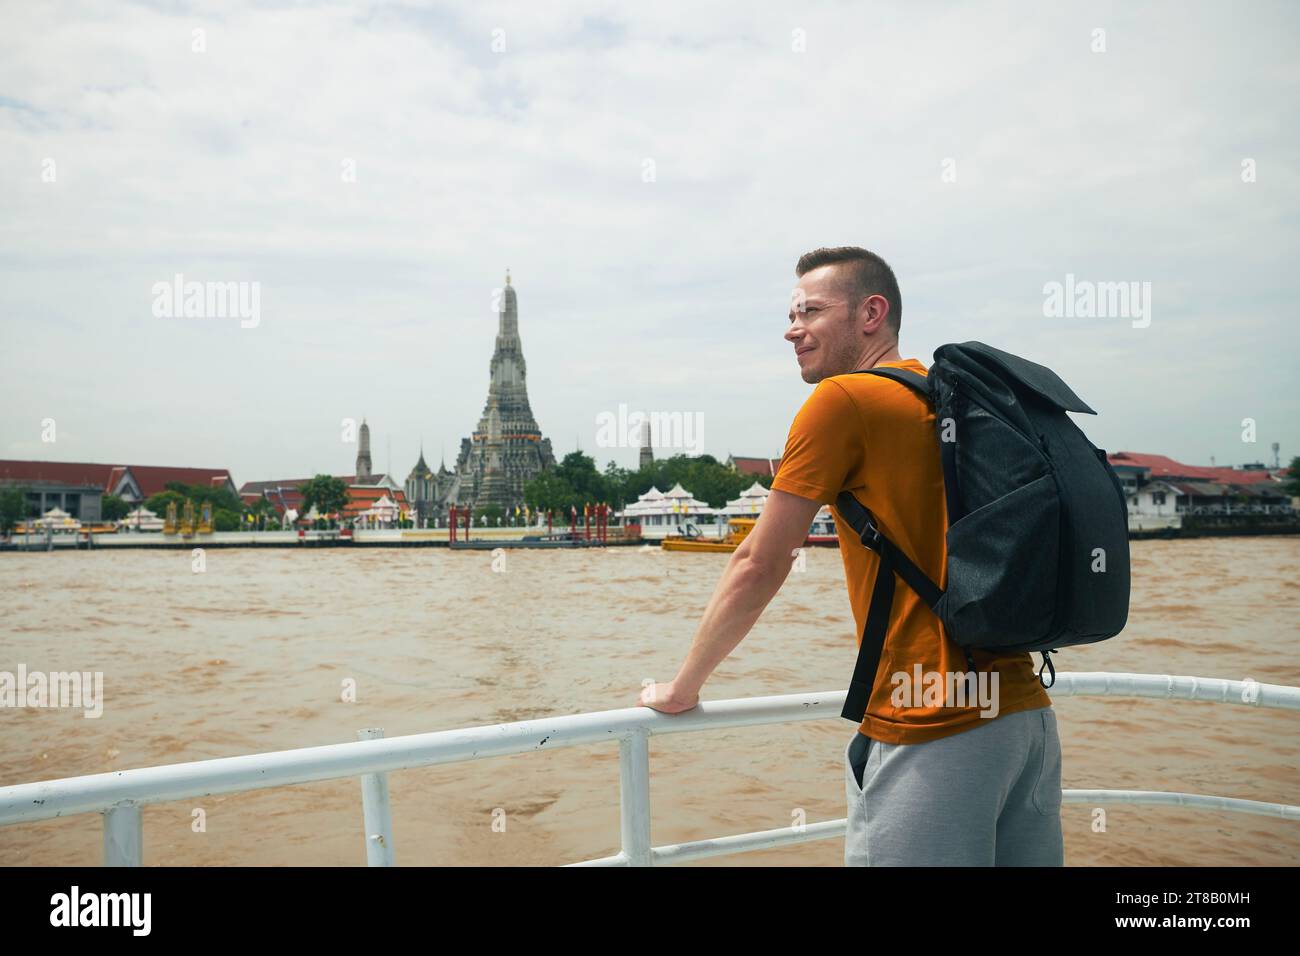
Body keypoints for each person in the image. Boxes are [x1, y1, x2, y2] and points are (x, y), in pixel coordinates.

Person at [638, 246, 1063, 866]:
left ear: (871, 312)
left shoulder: (844, 400)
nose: (792, 328)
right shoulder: (949, 398)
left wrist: (684, 686)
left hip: (931, 724)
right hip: (1023, 718)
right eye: (791, 313)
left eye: (810, 311)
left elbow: (761, 560)